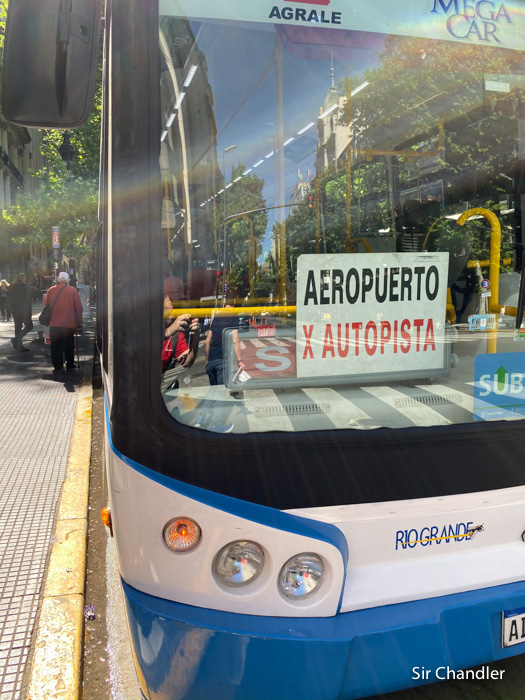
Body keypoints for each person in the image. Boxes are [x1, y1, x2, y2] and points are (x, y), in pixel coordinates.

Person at [43, 272, 83, 372]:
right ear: (67, 280)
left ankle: (57, 365)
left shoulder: (51, 289)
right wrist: (78, 320)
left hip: (54, 322)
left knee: (55, 344)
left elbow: (46, 303)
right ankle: (70, 364)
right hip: (69, 323)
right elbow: (78, 307)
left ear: (58, 279)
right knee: (68, 343)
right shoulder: (73, 290)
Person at [204, 305, 244, 385]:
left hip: (211, 361)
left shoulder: (217, 316)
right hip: (222, 360)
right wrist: (239, 361)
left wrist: (207, 360)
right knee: (221, 392)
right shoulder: (233, 316)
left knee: (213, 391)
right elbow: (235, 339)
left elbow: (207, 341)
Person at [6, 273, 33, 352]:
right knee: (29, 326)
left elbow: (8, 298)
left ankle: (19, 347)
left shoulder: (11, 286)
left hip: (15, 310)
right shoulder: (24, 286)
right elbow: (34, 292)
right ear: (23, 279)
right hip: (24, 310)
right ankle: (17, 339)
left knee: (18, 327)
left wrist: (10, 309)